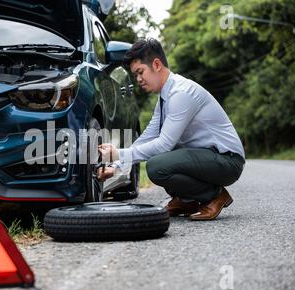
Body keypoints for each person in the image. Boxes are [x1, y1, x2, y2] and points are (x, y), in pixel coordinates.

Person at [97, 38, 245, 221]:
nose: (138, 80)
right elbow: (150, 135)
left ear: (156, 64)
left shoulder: (180, 93)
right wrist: (117, 165)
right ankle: (186, 200)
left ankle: (214, 195)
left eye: (140, 72)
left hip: (227, 160)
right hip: (207, 156)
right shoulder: (165, 96)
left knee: (157, 166)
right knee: (161, 160)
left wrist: (118, 154)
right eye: (135, 75)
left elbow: (164, 144)